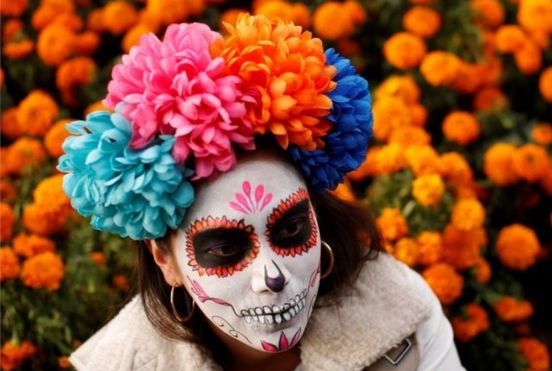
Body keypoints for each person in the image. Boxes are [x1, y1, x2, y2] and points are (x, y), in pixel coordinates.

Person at [59, 15, 464, 371]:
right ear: (166, 260)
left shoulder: (402, 313)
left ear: (316, 220)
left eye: (290, 232)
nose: (270, 276)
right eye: (224, 248)